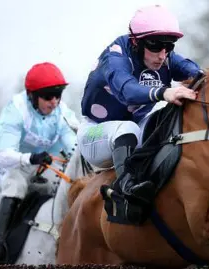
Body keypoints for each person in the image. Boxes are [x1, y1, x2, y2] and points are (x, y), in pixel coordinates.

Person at [77, 4, 201, 215]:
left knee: (168, 115)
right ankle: (126, 190)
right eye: (155, 46)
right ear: (136, 41)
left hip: (136, 124)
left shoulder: (162, 54)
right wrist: (165, 92)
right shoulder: (115, 57)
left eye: (168, 46)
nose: (162, 55)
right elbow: (127, 90)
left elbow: (199, 74)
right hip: (96, 133)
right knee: (128, 128)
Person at [0, 62, 79, 263]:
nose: (54, 102)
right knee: (16, 182)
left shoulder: (62, 113)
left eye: (58, 95)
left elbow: (74, 146)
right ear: (32, 96)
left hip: (41, 164)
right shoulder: (15, 111)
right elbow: (3, 155)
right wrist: (30, 158)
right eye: (48, 96)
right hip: (8, 165)